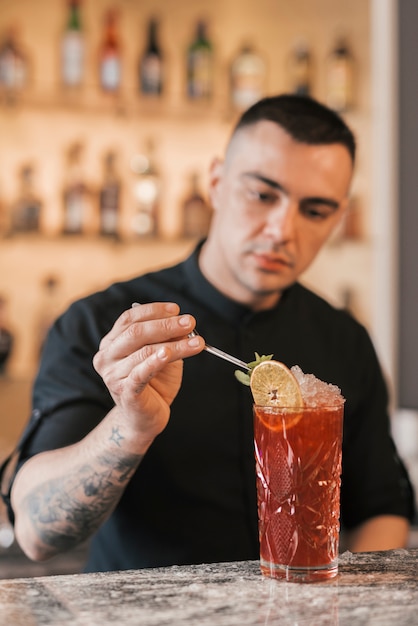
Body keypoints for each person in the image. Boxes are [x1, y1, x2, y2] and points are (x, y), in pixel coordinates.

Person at [4, 95, 415, 572]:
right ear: (216, 184)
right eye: (262, 195)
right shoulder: (105, 325)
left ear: (338, 218)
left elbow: (383, 508)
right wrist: (131, 427)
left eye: (315, 210)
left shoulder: (345, 339)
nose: (283, 229)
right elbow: (35, 533)